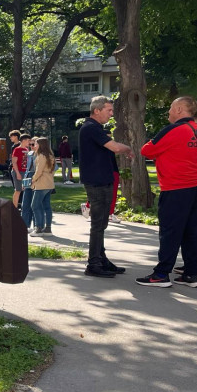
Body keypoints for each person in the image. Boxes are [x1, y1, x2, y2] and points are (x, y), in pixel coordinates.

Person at [137, 97, 197, 288]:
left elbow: (147, 150)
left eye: (170, 108)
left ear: (179, 109)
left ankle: (161, 274)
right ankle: (191, 274)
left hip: (176, 187)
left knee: (170, 231)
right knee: (193, 231)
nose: (168, 111)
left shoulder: (173, 130)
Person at [78, 96, 133, 278]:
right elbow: (115, 147)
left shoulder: (96, 128)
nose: (111, 114)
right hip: (97, 182)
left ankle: (101, 259)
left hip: (102, 180)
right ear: (97, 110)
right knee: (98, 224)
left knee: (101, 223)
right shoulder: (90, 127)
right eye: (109, 110)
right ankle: (93, 264)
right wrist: (128, 148)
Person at [30, 137, 56, 234]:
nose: (35, 146)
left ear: (41, 145)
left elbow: (39, 171)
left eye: (36, 144)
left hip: (41, 184)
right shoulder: (50, 155)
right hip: (49, 183)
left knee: (35, 206)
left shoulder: (41, 156)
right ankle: (48, 228)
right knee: (47, 206)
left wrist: (32, 180)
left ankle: (39, 228)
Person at [10, 132, 30, 209]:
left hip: (25, 172)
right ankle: (14, 208)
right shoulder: (17, 149)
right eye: (28, 140)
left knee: (25, 190)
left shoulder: (27, 149)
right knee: (18, 190)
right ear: (23, 140)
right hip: (18, 171)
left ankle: (24, 207)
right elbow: (14, 162)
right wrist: (17, 173)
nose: (29, 142)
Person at [8, 130, 22, 204]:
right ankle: (18, 201)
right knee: (15, 185)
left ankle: (20, 201)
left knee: (19, 186)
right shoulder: (13, 146)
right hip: (12, 166)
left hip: (18, 167)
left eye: (11, 136)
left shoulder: (19, 145)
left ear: (16, 137)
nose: (10, 138)